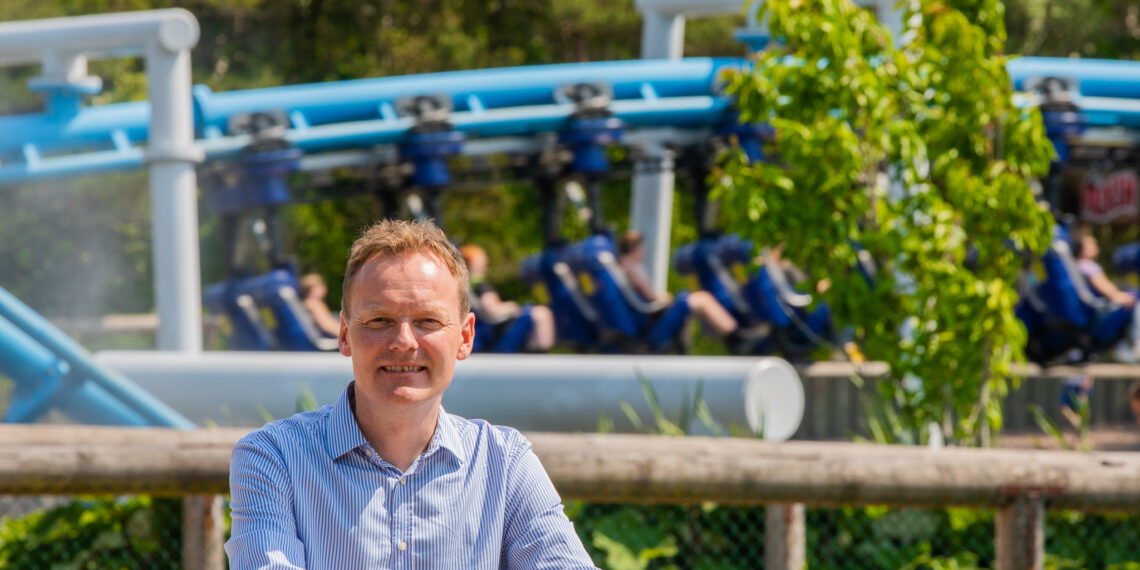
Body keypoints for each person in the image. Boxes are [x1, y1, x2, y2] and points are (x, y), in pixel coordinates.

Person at [226, 219, 596, 569]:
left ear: (465, 337)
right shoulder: (274, 459)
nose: (403, 341)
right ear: (344, 334)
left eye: (428, 321)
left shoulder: (505, 464)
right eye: (379, 321)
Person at [616, 229, 739, 339]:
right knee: (702, 298)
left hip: (648, 319)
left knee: (690, 300)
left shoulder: (623, 265)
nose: (644, 252)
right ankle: (735, 334)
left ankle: (730, 333)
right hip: (652, 323)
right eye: (642, 248)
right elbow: (650, 297)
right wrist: (665, 297)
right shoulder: (633, 267)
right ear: (636, 248)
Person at [460, 244, 556, 352]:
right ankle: (538, 355)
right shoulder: (480, 285)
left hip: (484, 333)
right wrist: (513, 307)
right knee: (541, 313)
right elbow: (491, 310)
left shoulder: (462, 284)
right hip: (495, 337)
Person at [1073, 231, 1140, 362]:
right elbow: (1111, 293)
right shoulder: (1089, 267)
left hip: (1092, 317)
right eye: (1091, 243)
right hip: (1101, 319)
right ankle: (1135, 343)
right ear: (1082, 248)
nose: (1095, 245)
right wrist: (1130, 298)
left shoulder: (1076, 266)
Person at [298, 273, 341, 337]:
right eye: (321, 286)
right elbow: (327, 326)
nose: (325, 289)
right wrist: (347, 335)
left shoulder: (306, 303)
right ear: (313, 289)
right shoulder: (314, 304)